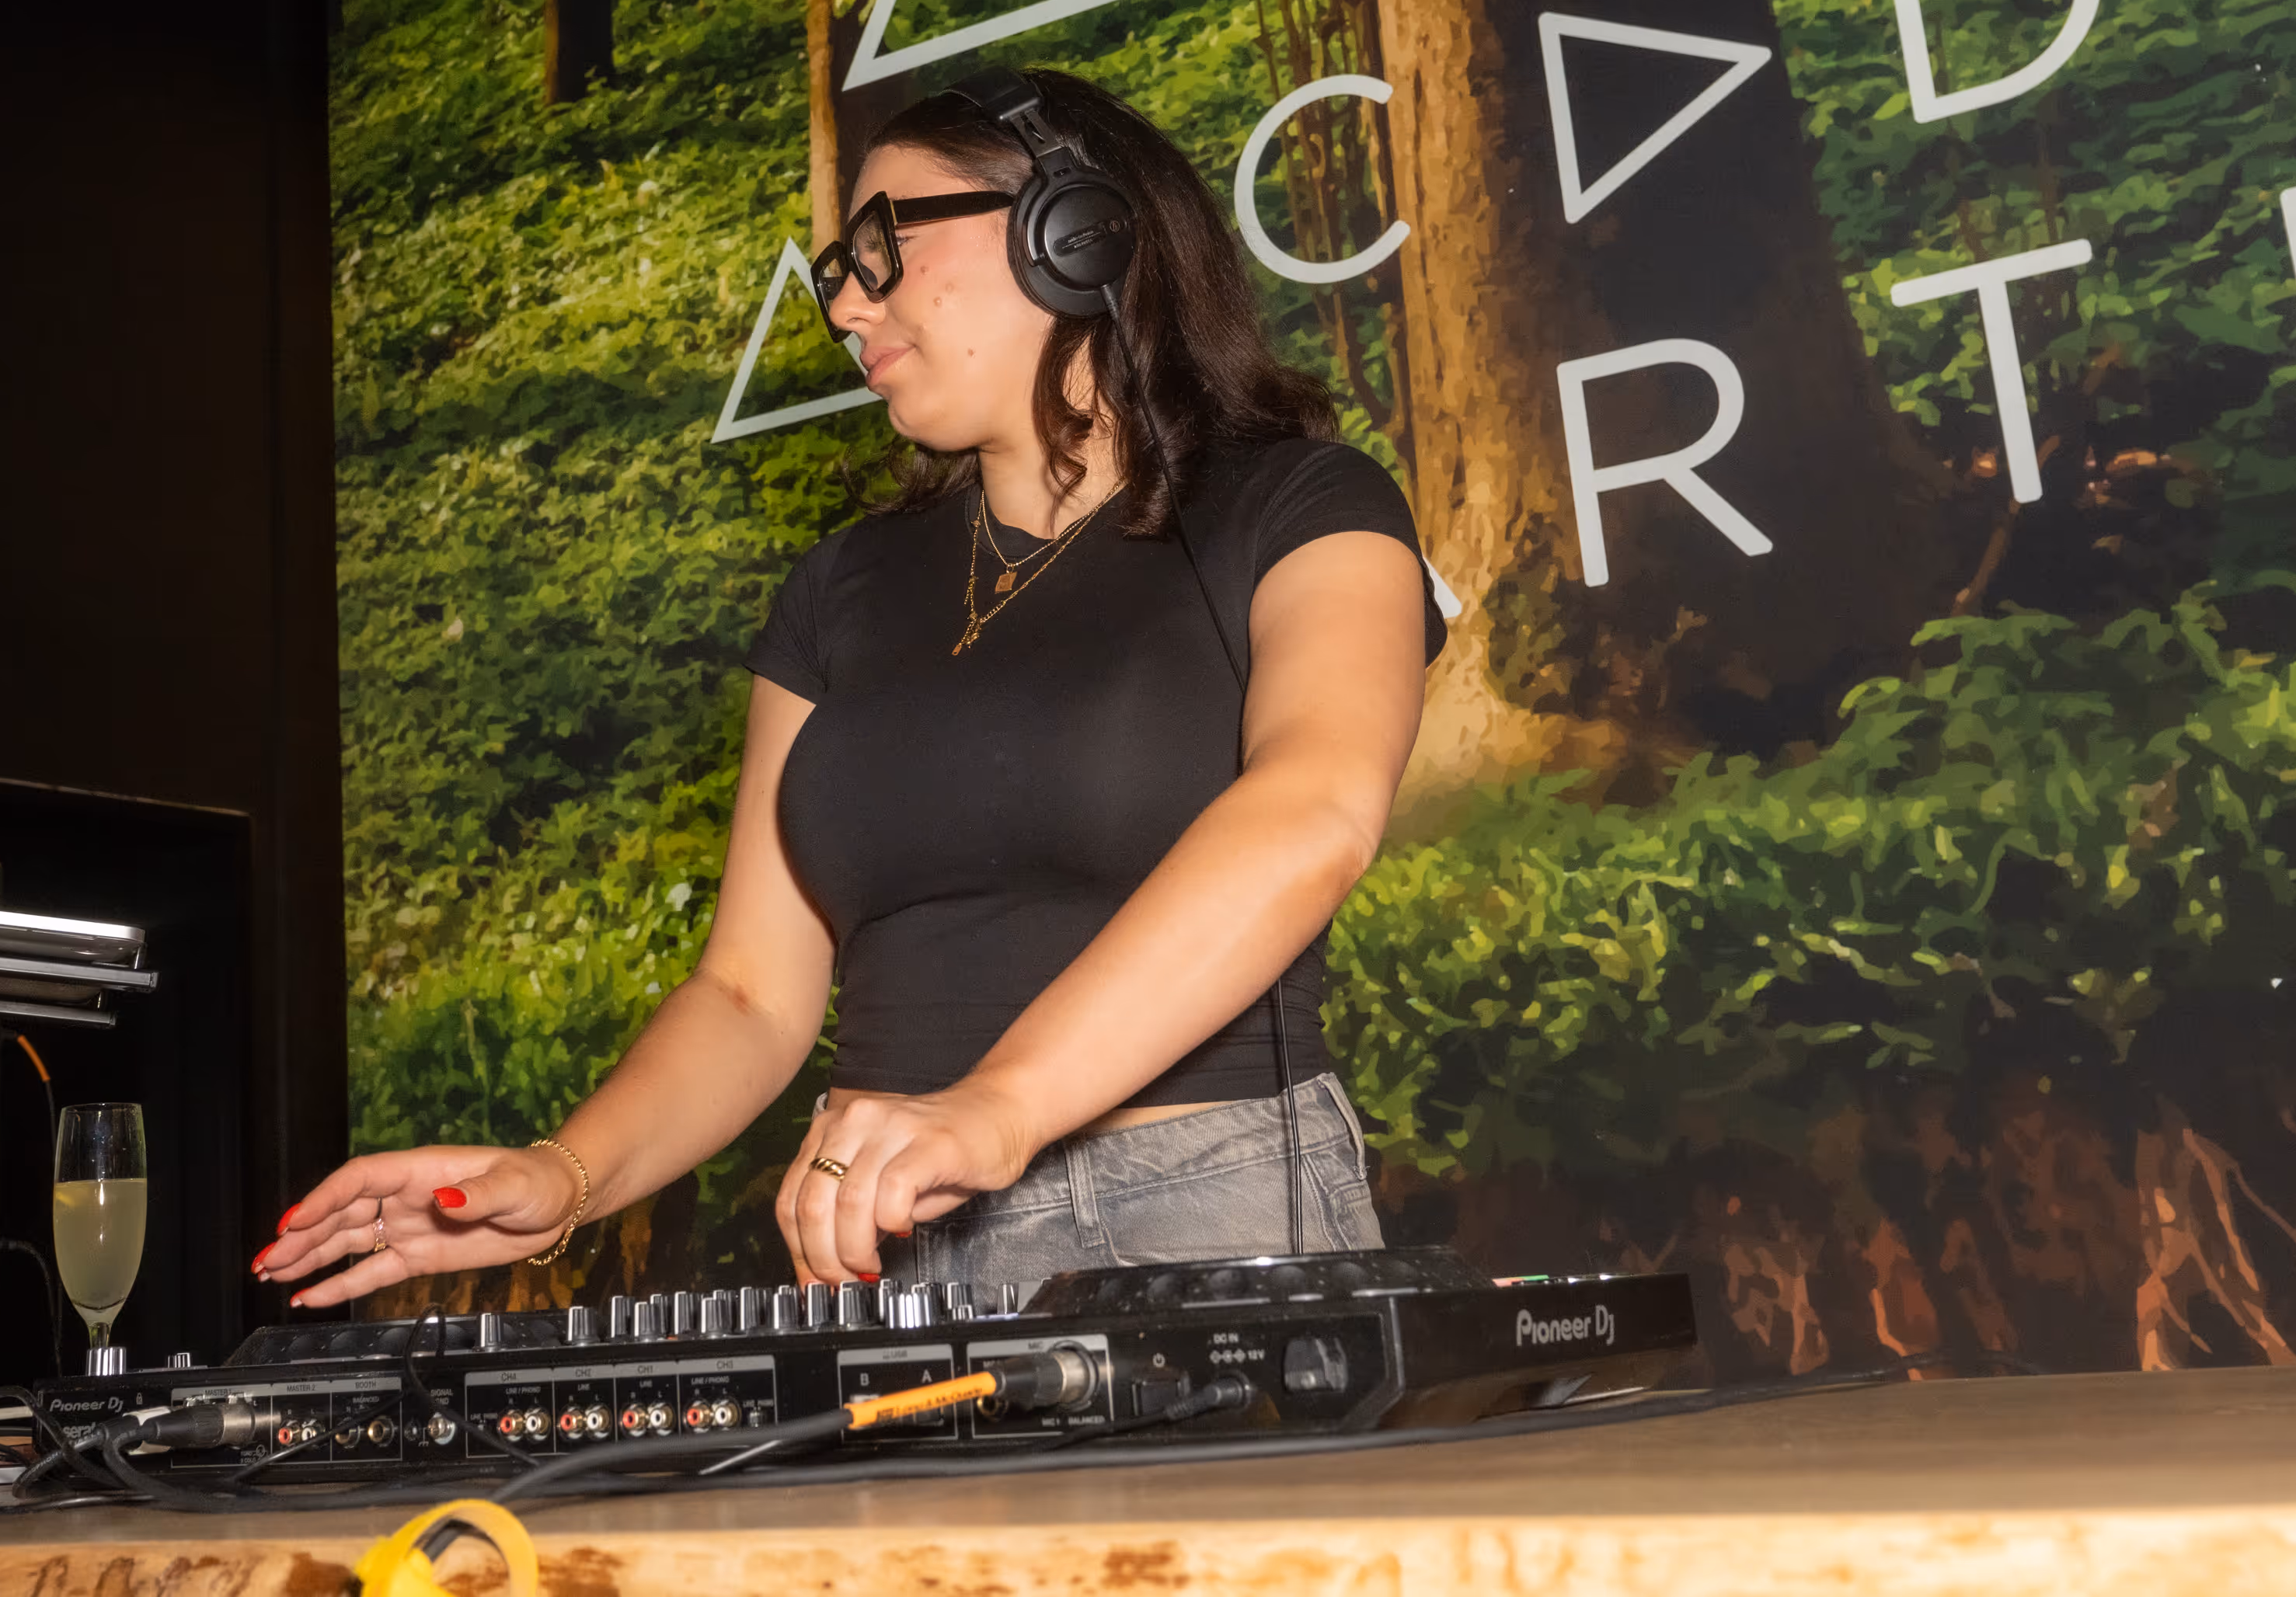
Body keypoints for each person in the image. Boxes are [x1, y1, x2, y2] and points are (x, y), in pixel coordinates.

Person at [256, 68, 1444, 1302]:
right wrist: (567, 1177)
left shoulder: (1306, 505)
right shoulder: (838, 589)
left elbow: (1315, 807)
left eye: (885, 246)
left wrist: (999, 1106)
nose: (848, 306)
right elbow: (751, 992)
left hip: (1206, 1199)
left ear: (1071, 234)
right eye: (836, 272)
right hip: (889, 1240)